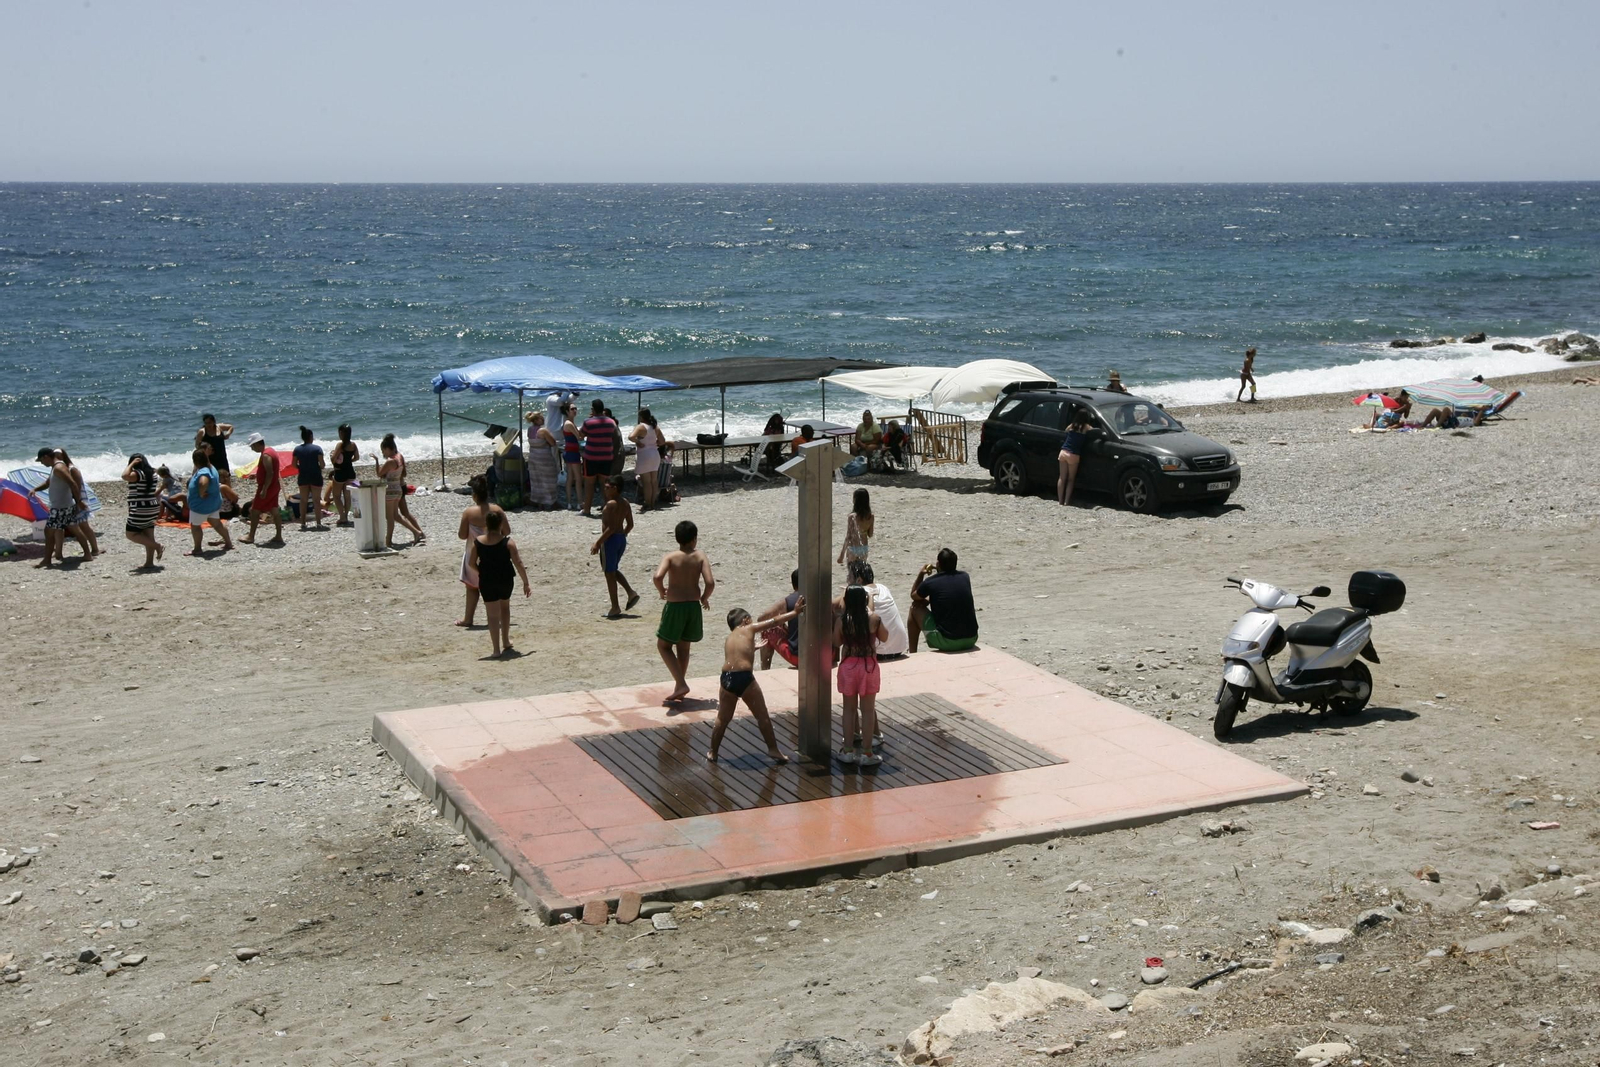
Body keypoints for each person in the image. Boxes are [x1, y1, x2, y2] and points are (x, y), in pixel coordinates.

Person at [710, 604, 802, 765]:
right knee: (762, 716)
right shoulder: (749, 628)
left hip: (727, 678)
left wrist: (752, 648)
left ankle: (713, 751)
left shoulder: (729, 638)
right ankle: (773, 749)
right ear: (745, 620)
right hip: (744, 678)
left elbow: (738, 655)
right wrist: (794, 612)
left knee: (722, 719)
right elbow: (773, 622)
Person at [653, 519, 714, 705]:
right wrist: (704, 598)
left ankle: (680, 684)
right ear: (694, 539)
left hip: (675, 606)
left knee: (663, 646)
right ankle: (679, 686)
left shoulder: (671, 557)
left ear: (677, 538)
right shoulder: (700, 556)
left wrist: (661, 590)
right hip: (693, 607)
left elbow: (657, 576)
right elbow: (710, 583)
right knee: (684, 648)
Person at [834, 585, 889, 767]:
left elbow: (836, 641)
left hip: (849, 666)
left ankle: (848, 751)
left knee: (848, 710)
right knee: (867, 711)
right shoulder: (874, 619)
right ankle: (867, 753)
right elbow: (885, 637)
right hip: (868, 667)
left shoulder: (843, 620)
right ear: (865, 600)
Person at [467, 510, 530, 659]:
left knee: (492, 615)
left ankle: (496, 649)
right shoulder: (508, 542)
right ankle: (506, 641)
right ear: (500, 524)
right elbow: (518, 563)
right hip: (505, 579)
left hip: (487, 581)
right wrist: (526, 582)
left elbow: (471, 563)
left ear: (486, 525)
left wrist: (481, 572)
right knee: (505, 608)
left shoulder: (478, 542)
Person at [456, 474, 509, 628]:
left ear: (474, 495)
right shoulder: (497, 509)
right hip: (495, 553)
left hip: (475, 553)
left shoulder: (469, 512)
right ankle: (497, 618)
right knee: (495, 588)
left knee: (472, 587)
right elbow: (507, 531)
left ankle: (468, 618)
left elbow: (462, 535)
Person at [908, 548, 979, 653]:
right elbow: (950, 596)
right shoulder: (965, 577)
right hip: (971, 639)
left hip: (948, 641)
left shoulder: (931, 582)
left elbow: (914, 595)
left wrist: (921, 574)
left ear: (938, 564)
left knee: (914, 608)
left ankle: (912, 652)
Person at [592, 476, 642, 618]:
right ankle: (631, 593)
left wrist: (598, 542)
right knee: (612, 570)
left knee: (609, 573)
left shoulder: (610, 505)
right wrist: (623, 536)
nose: (605, 489)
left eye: (608, 487)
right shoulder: (625, 503)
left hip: (611, 540)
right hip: (620, 540)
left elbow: (611, 528)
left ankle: (615, 607)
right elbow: (630, 524)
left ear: (615, 488)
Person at [32, 446, 86, 568]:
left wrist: (79, 501)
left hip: (60, 507)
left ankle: (46, 560)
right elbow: (47, 483)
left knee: (49, 532)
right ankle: (87, 555)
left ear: (46, 457)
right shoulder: (55, 467)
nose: (41, 463)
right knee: (74, 529)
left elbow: (72, 483)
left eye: (41, 460)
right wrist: (35, 489)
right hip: (64, 505)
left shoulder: (59, 468)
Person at [852, 561, 909, 658]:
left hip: (879, 652)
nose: (847, 579)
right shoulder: (883, 588)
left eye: (849, 576)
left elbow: (835, 605)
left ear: (859, 580)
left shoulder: (860, 592)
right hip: (899, 647)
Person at [377, 433, 425, 547]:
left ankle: (388, 541)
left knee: (390, 518)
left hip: (390, 490)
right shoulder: (399, 457)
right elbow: (403, 473)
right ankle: (416, 532)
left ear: (387, 448)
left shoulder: (390, 461)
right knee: (396, 516)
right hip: (399, 488)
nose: (383, 453)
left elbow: (379, 473)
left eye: (383, 450)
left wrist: (376, 461)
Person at [185, 446, 233, 556]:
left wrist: (201, 492)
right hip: (213, 503)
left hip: (201, 506)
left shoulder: (204, 471)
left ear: (195, 461)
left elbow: (203, 482)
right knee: (217, 524)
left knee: (196, 526)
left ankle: (197, 549)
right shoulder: (212, 467)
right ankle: (228, 543)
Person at [239, 433, 284, 546]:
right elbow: (269, 471)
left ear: (258, 444)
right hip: (274, 485)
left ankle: (251, 536)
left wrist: (264, 489)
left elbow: (270, 473)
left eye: (252, 446)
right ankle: (279, 535)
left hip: (267, 487)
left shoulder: (266, 455)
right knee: (274, 510)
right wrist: (258, 475)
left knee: (255, 511)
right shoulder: (271, 451)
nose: (251, 448)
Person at [55, 448, 100, 558]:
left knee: (84, 525)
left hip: (78, 499)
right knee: (75, 525)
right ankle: (59, 552)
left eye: (58, 456)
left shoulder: (72, 469)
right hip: (72, 499)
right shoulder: (63, 468)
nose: (57, 458)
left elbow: (77, 486)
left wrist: (78, 501)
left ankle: (95, 549)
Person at [122, 453, 164, 569]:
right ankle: (149, 562)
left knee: (130, 534)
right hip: (153, 507)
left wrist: (131, 464)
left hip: (141, 508)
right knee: (148, 535)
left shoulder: (138, 473)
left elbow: (125, 476)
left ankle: (157, 546)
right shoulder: (152, 474)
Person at [578, 399, 617, 517]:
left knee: (589, 485)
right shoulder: (611, 422)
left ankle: (587, 510)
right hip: (606, 457)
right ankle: (607, 509)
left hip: (591, 457)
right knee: (605, 485)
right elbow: (613, 436)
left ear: (593, 409)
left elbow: (581, 435)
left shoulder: (588, 422)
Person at [758, 568, 802, 669]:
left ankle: (765, 669)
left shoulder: (790, 601)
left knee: (768, 629)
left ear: (794, 585)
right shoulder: (823, 595)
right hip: (827, 656)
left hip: (801, 658)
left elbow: (761, 619)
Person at [291, 426, 327, 531]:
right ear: (311, 437)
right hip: (315, 476)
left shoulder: (297, 449)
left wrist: (301, 467)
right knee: (316, 500)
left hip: (303, 476)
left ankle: (303, 523)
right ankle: (319, 523)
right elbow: (322, 465)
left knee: (303, 500)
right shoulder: (317, 449)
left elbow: (293, 464)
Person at [1058, 405, 1095, 506]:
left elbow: (1066, 431)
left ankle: (1060, 501)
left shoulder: (1072, 425)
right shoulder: (1086, 427)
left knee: (1062, 478)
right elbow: (1095, 432)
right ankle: (1066, 501)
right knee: (1071, 479)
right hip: (1073, 454)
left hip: (1063, 451)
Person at [523, 411, 561, 510]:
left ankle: (540, 502)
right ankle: (552, 502)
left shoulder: (530, 429)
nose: (543, 419)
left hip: (533, 458)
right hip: (544, 458)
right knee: (550, 480)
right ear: (536, 420)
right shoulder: (543, 431)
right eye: (541, 417)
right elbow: (552, 443)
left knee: (537, 481)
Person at [327, 424, 359, 526]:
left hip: (340, 472)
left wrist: (332, 456)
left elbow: (333, 460)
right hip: (350, 471)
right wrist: (348, 461)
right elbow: (357, 457)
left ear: (341, 433)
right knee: (347, 496)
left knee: (336, 496)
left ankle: (342, 517)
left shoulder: (340, 445)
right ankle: (346, 516)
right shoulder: (353, 445)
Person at [631, 409, 662, 510]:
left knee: (646, 482)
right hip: (655, 454)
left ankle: (648, 503)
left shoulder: (641, 427)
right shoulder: (655, 427)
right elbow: (662, 442)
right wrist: (653, 443)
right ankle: (653, 502)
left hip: (644, 455)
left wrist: (638, 442)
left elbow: (631, 437)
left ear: (641, 416)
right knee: (654, 480)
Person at [195, 413, 235, 484]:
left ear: (214, 422)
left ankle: (227, 493)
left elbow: (231, 427)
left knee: (226, 477)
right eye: (206, 423)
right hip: (210, 459)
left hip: (222, 457)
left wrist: (228, 434)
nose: (208, 425)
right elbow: (197, 446)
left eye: (210, 423)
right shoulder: (202, 432)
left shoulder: (219, 427)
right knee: (213, 478)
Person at [838, 487, 873, 565]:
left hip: (853, 548)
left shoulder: (852, 517)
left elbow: (848, 536)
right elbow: (870, 534)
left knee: (852, 573)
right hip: (863, 548)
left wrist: (841, 555)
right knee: (861, 573)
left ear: (856, 500)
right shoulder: (870, 516)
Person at [560, 402, 584, 512]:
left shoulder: (569, 423)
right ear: (567, 411)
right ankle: (579, 502)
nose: (575, 410)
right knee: (578, 478)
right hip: (572, 452)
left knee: (570, 477)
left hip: (569, 451)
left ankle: (569, 503)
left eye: (575, 408)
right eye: (572, 409)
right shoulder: (569, 423)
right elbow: (579, 437)